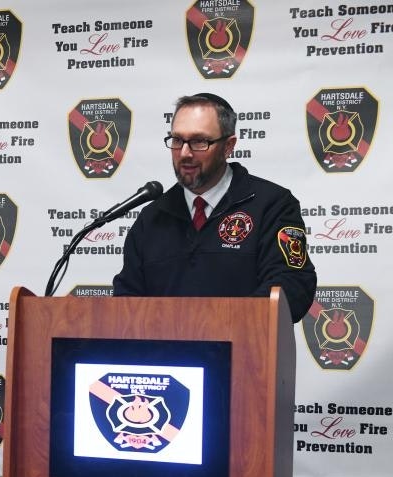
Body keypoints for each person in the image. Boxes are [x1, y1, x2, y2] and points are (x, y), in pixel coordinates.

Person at [112, 93, 317, 323]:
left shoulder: (271, 205)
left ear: (228, 146)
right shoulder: (152, 218)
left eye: (200, 142)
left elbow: (293, 285)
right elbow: (126, 299)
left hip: (245, 354)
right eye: (178, 140)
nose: (185, 153)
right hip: (168, 357)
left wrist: (219, 323)